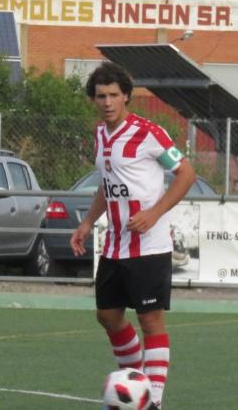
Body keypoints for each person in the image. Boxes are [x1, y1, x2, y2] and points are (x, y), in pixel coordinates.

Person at [70, 62, 196, 410]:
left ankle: (152, 399)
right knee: (107, 316)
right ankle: (135, 384)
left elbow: (186, 173)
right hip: (114, 244)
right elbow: (106, 186)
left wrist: (155, 212)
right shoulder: (100, 134)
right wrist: (87, 223)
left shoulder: (149, 133)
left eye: (113, 95)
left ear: (126, 96)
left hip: (150, 245)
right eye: (100, 96)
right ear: (94, 99)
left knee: (150, 320)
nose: (107, 101)